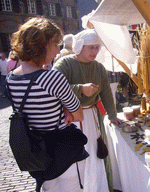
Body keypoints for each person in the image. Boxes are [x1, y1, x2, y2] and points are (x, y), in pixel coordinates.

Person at [6, 17, 88, 192]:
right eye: (55, 44)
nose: (58, 51)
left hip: (37, 156)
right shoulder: (51, 78)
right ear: (41, 45)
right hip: (63, 154)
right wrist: (66, 108)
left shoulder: (11, 78)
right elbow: (79, 115)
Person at [52, 29, 123, 192]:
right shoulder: (65, 64)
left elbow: (105, 92)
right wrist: (79, 89)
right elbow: (53, 87)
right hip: (70, 119)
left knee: (93, 153)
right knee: (76, 158)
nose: (95, 51)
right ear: (80, 46)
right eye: (91, 47)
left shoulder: (98, 67)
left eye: (97, 47)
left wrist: (112, 115)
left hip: (91, 117)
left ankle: (97, 188)